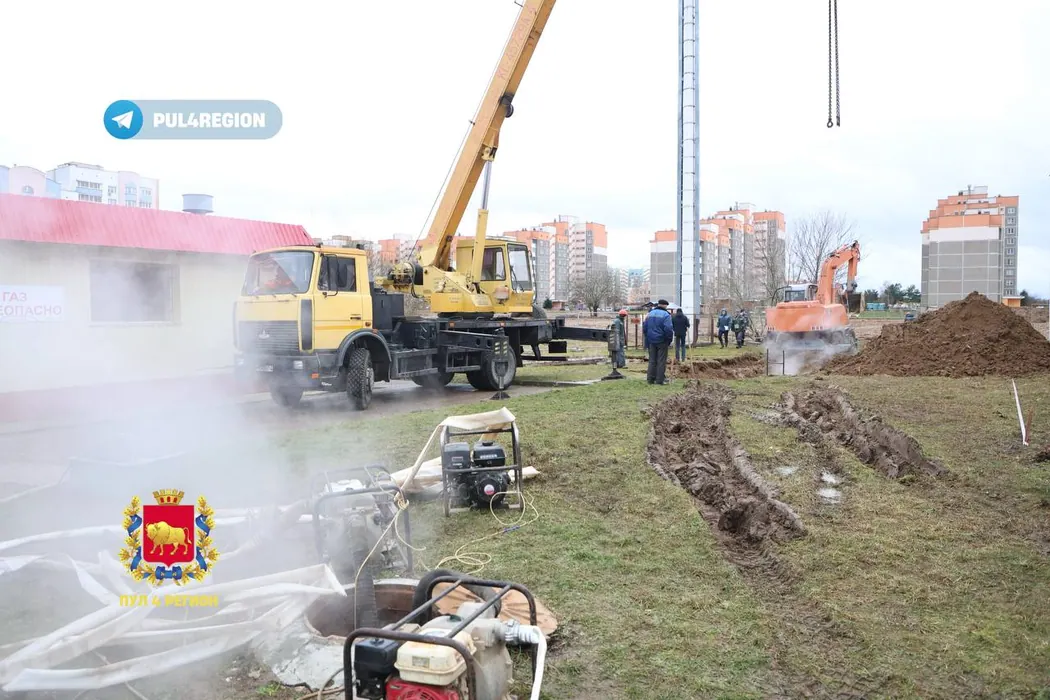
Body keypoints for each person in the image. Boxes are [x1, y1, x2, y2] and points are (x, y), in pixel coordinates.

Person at [642, 299, 674, 384]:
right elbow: (668, 329)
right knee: (661, 361)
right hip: (662, 340)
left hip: (651, 340)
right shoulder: (666, 315)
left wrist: (648, 336)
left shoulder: (650, 314)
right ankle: (660, 380)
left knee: (652, 360)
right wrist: (669, 339)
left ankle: (650, 379)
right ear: (665, 306)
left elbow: (645, 327)